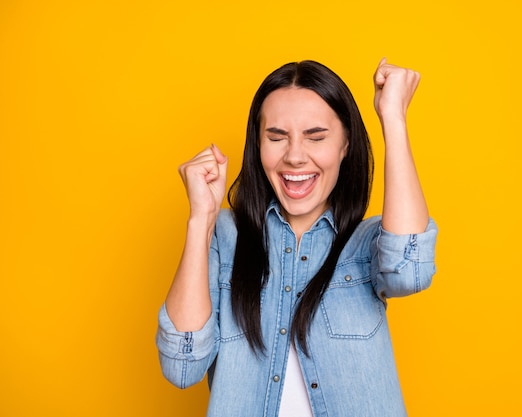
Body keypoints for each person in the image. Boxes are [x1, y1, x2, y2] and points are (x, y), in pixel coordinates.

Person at [156, 58, 438, 417]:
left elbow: (410, 269)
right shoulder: (224, 238)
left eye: (316, 137)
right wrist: (201, 220)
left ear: (345, 144)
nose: (294, 156)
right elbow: (182, 366)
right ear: (257, 146)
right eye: (276, 137)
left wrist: (393, 117)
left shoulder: (366, 244)